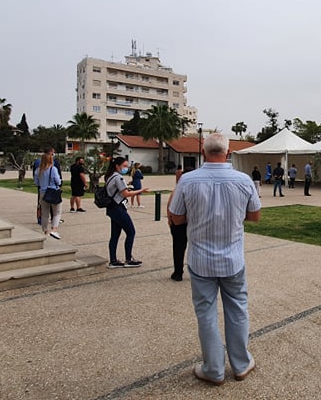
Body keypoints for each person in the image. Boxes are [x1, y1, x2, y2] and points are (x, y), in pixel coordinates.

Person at [168, 133, 261, 386]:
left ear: (204, 151)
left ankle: (214, 369)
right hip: (232, 259)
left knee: (206, 314)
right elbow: (254, 216)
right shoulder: (243, 180)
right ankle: (241, 364)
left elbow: (175, 217)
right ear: (228, 151)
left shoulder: (188, 180)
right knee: (238, 309)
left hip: (200, 260)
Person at [104, 157, 148, 267]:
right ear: (117, 166)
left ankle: (113, 260)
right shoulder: (118, 178)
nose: (126, 168)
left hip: (112, 208)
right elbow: (125, 194)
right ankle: (128, 259)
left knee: (115, 235)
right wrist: (141, 190)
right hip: (118, 208)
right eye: (124, 166)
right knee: (131, 232)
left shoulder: (110, 176)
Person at [166, 167, 190, 281]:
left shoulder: (178, 188)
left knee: (178, 248)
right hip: (190, 223)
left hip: (177, 223)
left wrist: (170, 219)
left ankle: (178, 272)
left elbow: (170, 204)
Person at [34, 152, 63, 239]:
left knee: (44, 213)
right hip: (53, 191)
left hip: (43, 192)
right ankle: (54, 230)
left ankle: (45, 230)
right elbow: (58, 181)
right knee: (57, 212)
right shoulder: (53, 169)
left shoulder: (38, 170)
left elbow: (36, 182)